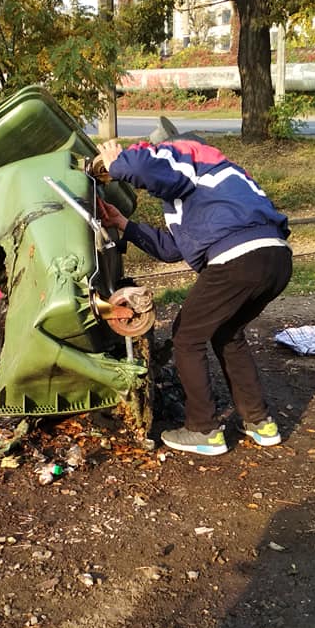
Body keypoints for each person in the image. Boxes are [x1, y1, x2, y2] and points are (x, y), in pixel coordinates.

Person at [96, 136, 292, 456]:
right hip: (276, 259)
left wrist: (116, 162)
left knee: (187, 337)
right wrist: (123, 224)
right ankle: (260, 422)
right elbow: (174, 249)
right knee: (228, 334)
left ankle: (203, 430)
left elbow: (145, 165)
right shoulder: (215, 188)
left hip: (237, 258)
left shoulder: (191, 155)